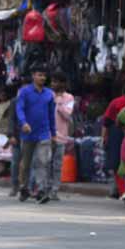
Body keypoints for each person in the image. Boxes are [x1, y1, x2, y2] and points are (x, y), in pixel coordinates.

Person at [15, 66, 56, 204]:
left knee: (43, 162)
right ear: (33, 76)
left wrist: (54, 133)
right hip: (27, 133)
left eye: (44, 76)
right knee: (25, 164)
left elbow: (51, 115)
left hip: (44, 133)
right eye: (40, 75)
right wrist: (23, 123)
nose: (42, 78)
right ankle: (24, 188)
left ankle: (41, 190)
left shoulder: (49, 94)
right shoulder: (24, 92)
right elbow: (19, 109)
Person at [48, 72, 75, 201]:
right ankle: (44, 188)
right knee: (45, 162)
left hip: (61, 137)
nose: (53, 84)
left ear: (62, 84)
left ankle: (54, 190)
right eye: (52, 82)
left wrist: (58, 102)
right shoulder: (47, 95)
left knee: (57, 164)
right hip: (46, 135)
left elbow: (67, 115)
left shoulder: (69, 98)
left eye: (55, 82)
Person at [102, 83, 125, 199]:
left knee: (117, 163)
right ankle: (123, 190)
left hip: (116, 134)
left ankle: (121, 190)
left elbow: (106, 121)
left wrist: (104, 137)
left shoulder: (116, 102)